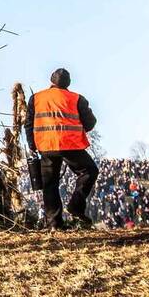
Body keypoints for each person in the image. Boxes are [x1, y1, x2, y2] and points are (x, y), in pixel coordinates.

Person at [25, 68, 99, 230]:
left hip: (46, 146)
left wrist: (32, 145)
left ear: (51, 81)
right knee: (89, 171)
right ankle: (75, 206)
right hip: (70, 145)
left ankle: (55, 224)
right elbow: (90, 123)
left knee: (49, 184)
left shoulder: (36, 98)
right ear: (68, 84)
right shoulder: (77, 99)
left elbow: (29, 123)